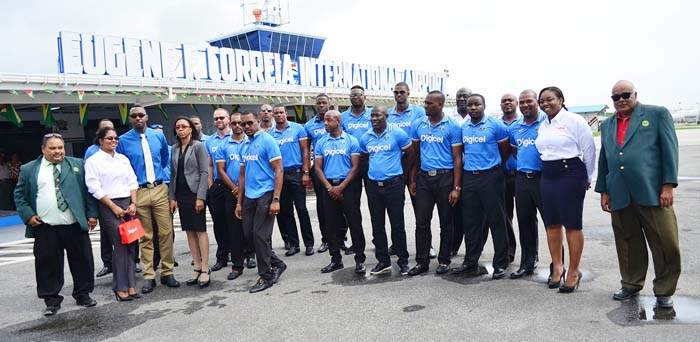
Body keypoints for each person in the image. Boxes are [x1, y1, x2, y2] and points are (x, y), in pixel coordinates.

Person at [596, 80, 680, 308]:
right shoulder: (608, 124)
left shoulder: (656, 114)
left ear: (635, 94)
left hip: (652, 191)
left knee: (665, 242)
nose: (621, 100)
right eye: (616, 97)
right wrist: (604, 190)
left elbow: (669, 150)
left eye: (625, 95)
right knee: (627, 242)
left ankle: (664, 290)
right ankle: (631, 283)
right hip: (620, 193)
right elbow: (605, 158)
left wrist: (668, 186)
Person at [14, 133, 98, 316]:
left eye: (60, 147)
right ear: (43, 149)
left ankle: (83, 294)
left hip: (74, 223)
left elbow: (88, 191)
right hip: (45, 227)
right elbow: (19, 196)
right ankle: (51, 300)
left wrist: (92, 214)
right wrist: (28, 215)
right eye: (52, 148)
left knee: (83, 261)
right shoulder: (29, 169)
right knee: (47, 264)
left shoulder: (77, 164)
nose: (57, 151)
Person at [535, 86, 595, 293]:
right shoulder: (543, 125)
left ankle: (574, 271)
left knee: (572, 224)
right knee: (551, 223)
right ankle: (558, 267)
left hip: (571, 173)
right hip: (548, 174)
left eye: (549, 99)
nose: (545, 104)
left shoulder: (574, 121)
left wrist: (587, 177)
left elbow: (589, 150)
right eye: (542, 101)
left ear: (561, 99)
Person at [116, 105, 180, 293]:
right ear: (130, 119)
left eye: (141, 115)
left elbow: (164, 159)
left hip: (160, 188)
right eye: (134, 116)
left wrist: (170, 193)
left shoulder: (157, 136)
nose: (138, 119)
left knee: (166, 232)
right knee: (145, 236)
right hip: (139, 191)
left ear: (147, 117)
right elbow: (122, 168)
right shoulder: (123, 141)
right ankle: (149, 276)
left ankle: (167, 272)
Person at [453, 94, 511, 279]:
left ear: (484, 105)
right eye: (470, 105)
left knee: (497, 221)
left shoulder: (496, 125)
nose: (473, 108)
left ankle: (501, 263)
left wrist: (494, 168)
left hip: (491, 177)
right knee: (471, 223)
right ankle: (470, 263)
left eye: (477, 104)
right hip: (470, 178)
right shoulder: (464, 127)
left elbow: (505, 151)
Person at [408, 90, 463, 276]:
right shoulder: (418, 124)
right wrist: (413, 178)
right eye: (425, 103)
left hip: (445, 178)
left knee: (446, 221)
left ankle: (444, 260)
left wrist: (456, 187)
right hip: (424, 178)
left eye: (429, 103)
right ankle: (422, 261)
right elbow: (416, 154)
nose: (425, 106)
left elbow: (457, 159)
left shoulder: (452, 126)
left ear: (440, 105)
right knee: (421, 221)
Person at [84, 127, 140, 301]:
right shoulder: (94, 161)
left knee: (132, 243)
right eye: (109, 138)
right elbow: (94, 187)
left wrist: (133, 203)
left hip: (128, 203)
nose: (114, 141)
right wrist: (113, 207)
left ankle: (131, 285)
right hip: (108, 205)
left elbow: (132, 180)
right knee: (120, 244)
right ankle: (120, 287)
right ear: (100, 140)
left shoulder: (122, 159)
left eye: (116, 138)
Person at [235, 111, 288, 293]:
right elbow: (242, 176)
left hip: (266, 193)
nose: (247, 126)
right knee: (249, 235)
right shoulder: (243, 145)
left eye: (250, 123)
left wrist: (276, 199)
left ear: (257, 122)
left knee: (260, 235)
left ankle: (266, 276)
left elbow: (279, 170)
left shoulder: (267, 141)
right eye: (243, 124)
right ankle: (277, 263)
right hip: (250, 196)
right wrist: (239, 203)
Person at [361, 105, 414, 275]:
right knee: (377, 226)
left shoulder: (398, 133)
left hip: (394, 185)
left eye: (378, 116)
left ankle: (403, 261)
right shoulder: (366, 137)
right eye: (372, 116)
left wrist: (402, 176)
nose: (374, 119)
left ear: (386, 116)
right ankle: (383, 261)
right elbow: (366, 157)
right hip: (374, 186)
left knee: (397, 225)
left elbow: (410, 155)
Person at [314, 110, 366, 274]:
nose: (325, 123)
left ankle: (359, 259)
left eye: (329, 120)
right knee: (331, 224)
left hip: (348, 186)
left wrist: (341, 187)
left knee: (354, 222)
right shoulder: (322, 142)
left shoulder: (351, 141)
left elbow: (356, 166)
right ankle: (335, 259)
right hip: (329, 186)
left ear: (338, 121)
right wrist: (330, 188)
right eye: (324, 120)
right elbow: (317, 167)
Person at [386, 82, 431, 258]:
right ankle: (396, 244)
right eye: (396, 92)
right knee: (394, 208)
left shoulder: (419, 112)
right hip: (394, 165)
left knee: (420, 208)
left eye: (402, 92)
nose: (399, 95)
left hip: (414, 164)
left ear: (408, 93)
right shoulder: (388, 114)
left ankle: (426, 246)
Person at [169, 117, 211, 288]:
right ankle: (197, 266)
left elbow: (204, 172)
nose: (180, 129)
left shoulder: (199, 146)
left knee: (200, 229)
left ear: (191, 129)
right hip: (181, 195)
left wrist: (201, 197)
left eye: (184, 126)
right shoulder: (174, 148)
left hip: (195, 193)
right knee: (189, 231)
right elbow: (172, 174)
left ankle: (206, 268)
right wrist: (172, 197)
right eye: (177, 127)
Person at [508, 89, 545, 279]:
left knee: (552, 224)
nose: (524, 105)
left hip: (544, 179)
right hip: (522, 178)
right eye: (521, 102)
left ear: (536, 102)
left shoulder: (547, 122)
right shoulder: (515, 127)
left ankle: (558, 266)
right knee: (525, 223)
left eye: (528, 101)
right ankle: (527, 263)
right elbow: (515, 150)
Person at [270, 105, 315, 256]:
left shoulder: (297, 129)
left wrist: (306, 172)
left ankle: (309, 244)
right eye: (276, 113)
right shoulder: (270, 133)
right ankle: (294, 245)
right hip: (280, 175)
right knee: (287, 212)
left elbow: (305, 151)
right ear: (273, 116)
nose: (279, 115)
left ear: (285, 114)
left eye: (281, 112)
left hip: (296, 173)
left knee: (302, 209)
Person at [216, 112, 254, 280]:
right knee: (234, 229)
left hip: (252, 191)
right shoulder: (224, 145)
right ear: (230, 125)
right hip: (231, 192)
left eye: (241, 123)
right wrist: (234, 188)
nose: (238, 126)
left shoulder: (251, 143)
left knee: (252, 227)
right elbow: (220, 170)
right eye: (235, 123)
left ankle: (252, 255)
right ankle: (237, 265)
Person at [205, 108, 233, 272]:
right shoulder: (210, 140)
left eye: (222, 118)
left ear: (228, 119)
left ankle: (244, 254)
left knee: (236, 222)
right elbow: (209, 164)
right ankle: (222, 256)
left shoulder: (237, 136)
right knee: (219, 222)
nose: (219, 121)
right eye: (216, 119)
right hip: (217, 185)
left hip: (234, 186)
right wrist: (210, 184)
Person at [305, 94, 333, 253]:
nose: (321, 105)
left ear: (329, 104)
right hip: (319, 170)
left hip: (338, 167)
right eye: (319, 103)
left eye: (324, 103)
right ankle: (326, 239)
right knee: (322, 206)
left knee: (340, 206)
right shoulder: (309, 125)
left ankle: (340, 238)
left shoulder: (338, 120)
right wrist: (307, 171)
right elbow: (306, 149)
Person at [450, 87, 472, 255]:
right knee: (454, 212)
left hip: (473, 172)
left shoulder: (477, 117)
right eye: (459, 96)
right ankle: (453, 246)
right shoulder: (450, 119)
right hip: (453, 172)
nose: (462, 99)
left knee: (472, 213)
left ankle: (473, 250)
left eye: (466, 96)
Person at [500, 93, 520, 263]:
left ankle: (531, 256)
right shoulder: (496, 124)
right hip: (502, 176)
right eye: (504, 101)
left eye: (510, 101)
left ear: (517, 104)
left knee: (526, 217)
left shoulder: (522, 123)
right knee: (505, 216)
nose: (507, 103)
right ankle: (508, 252)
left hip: (520, 176)